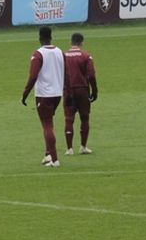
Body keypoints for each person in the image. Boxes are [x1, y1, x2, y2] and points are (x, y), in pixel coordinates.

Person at [21, 26, 66, 167]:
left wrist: (25, 92)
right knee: (49, 123)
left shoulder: (38, 54)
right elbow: (67, 72)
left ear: (40, 37)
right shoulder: (60, 52)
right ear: (51, 36)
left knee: (47, 125)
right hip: (57, 94)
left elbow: (33, 75)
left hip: (44, 95)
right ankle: (48, 155)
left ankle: (55, 159)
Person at [62, 32, 98, 156]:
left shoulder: (63, 56)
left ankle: (69, 149)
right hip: (82, 90)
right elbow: (91, 75)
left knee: (69, 119)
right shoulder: (86, 56)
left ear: (70, 42)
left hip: (68, 90)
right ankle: (83, 147)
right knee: (85, 118)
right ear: (81, 42)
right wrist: (94, 90)